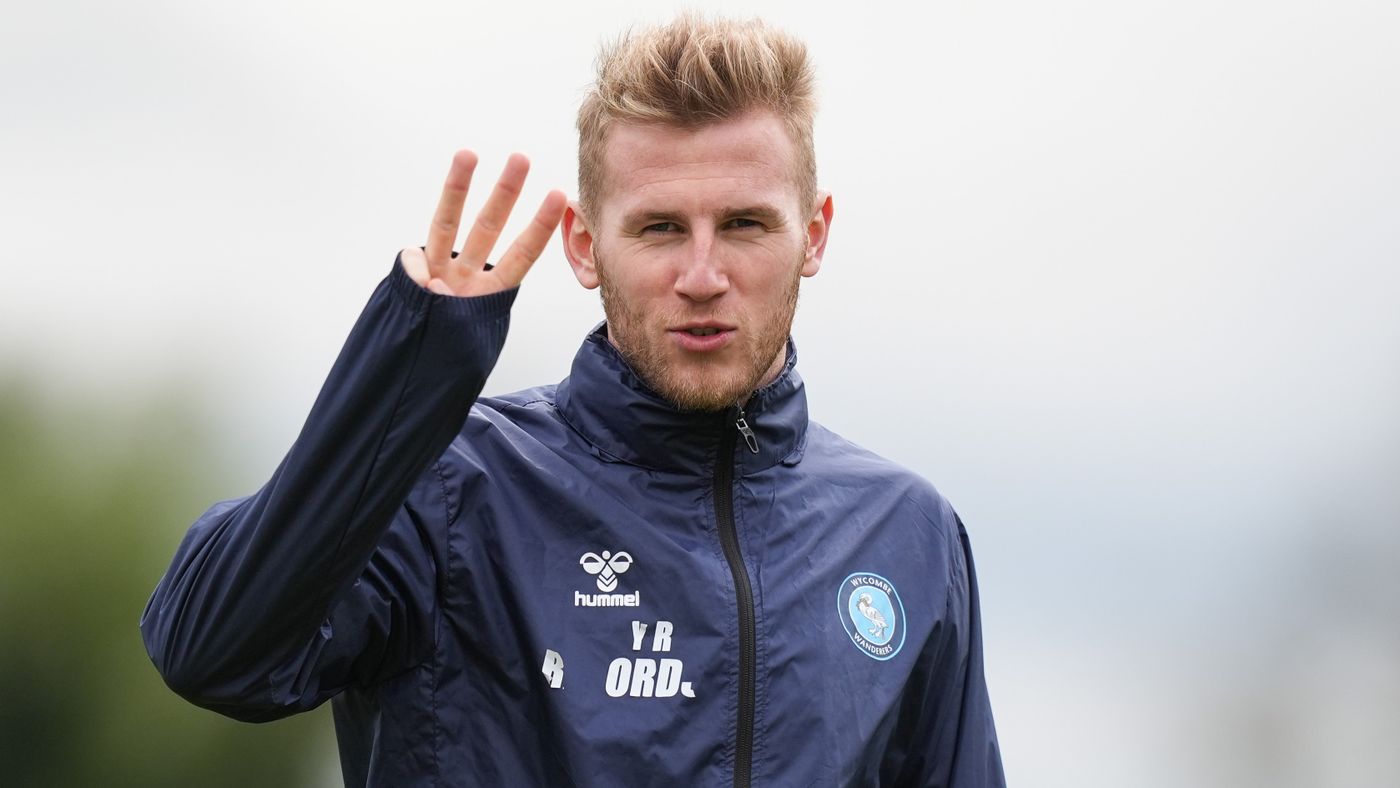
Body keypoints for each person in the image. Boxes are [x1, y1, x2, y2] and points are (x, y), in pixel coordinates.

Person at [141, 14, 1005, 787]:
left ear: (812, 235)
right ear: (585, 246)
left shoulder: (908, 532)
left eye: (745, 224)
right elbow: (211, 652)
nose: (703, 275)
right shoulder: (453, 488)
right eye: (660, 228)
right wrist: (408, 373)